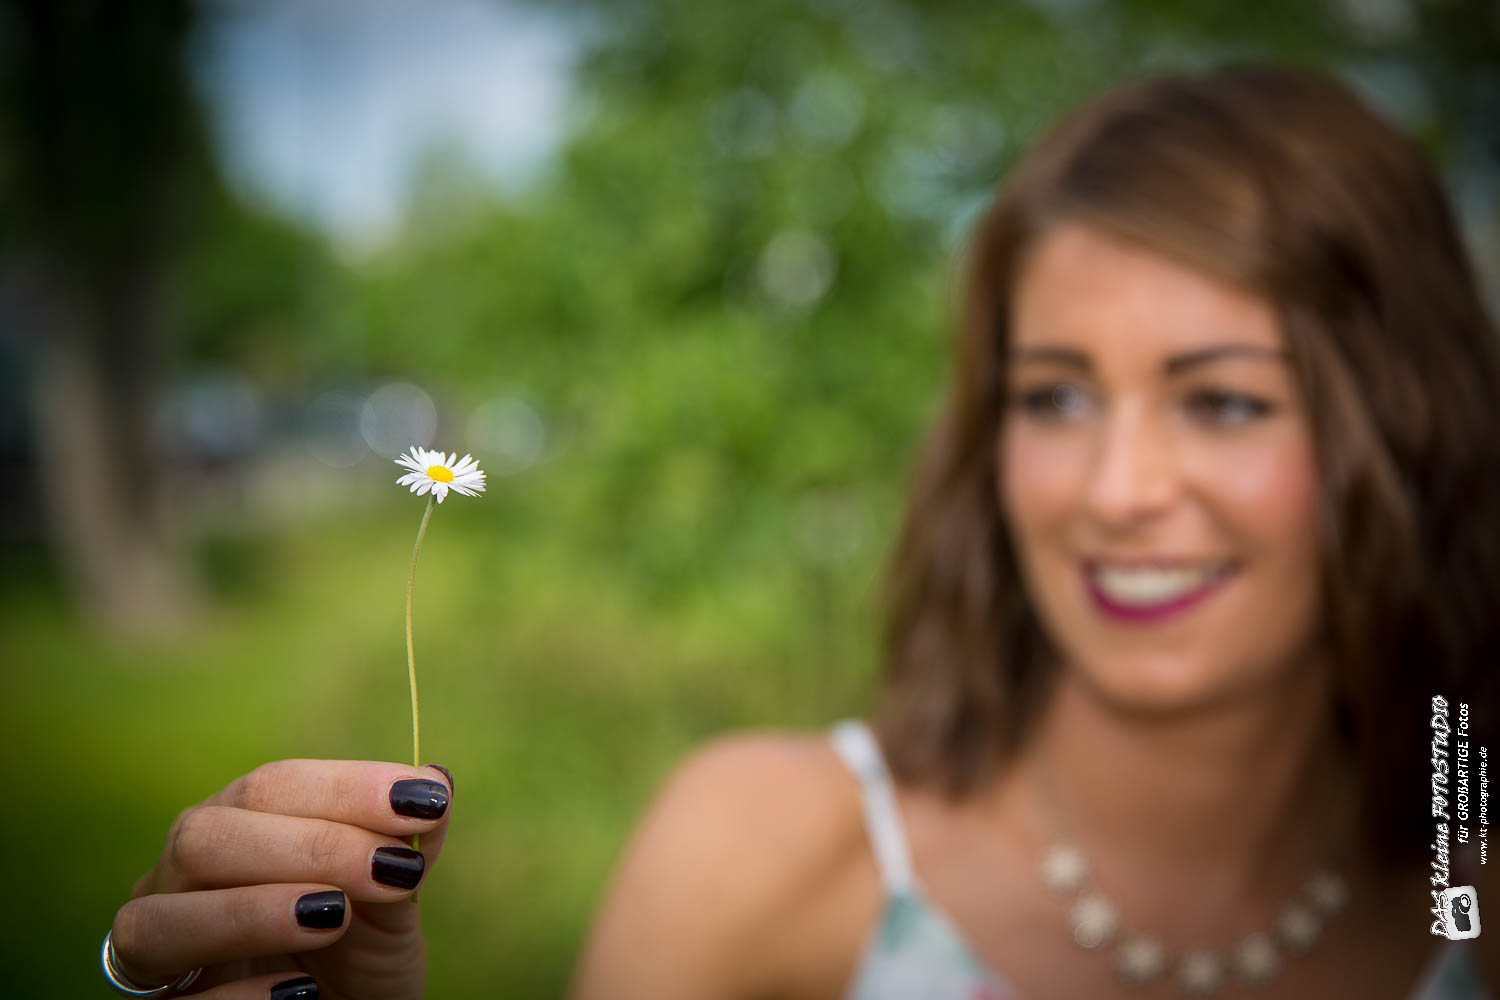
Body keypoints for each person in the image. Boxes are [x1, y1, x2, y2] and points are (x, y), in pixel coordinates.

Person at [104, 64, 1500, 999]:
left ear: (1408, 427)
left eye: (1226, 401)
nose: (1117, 487)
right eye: (1057, 395)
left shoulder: (1465, 863)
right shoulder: (761, 850)